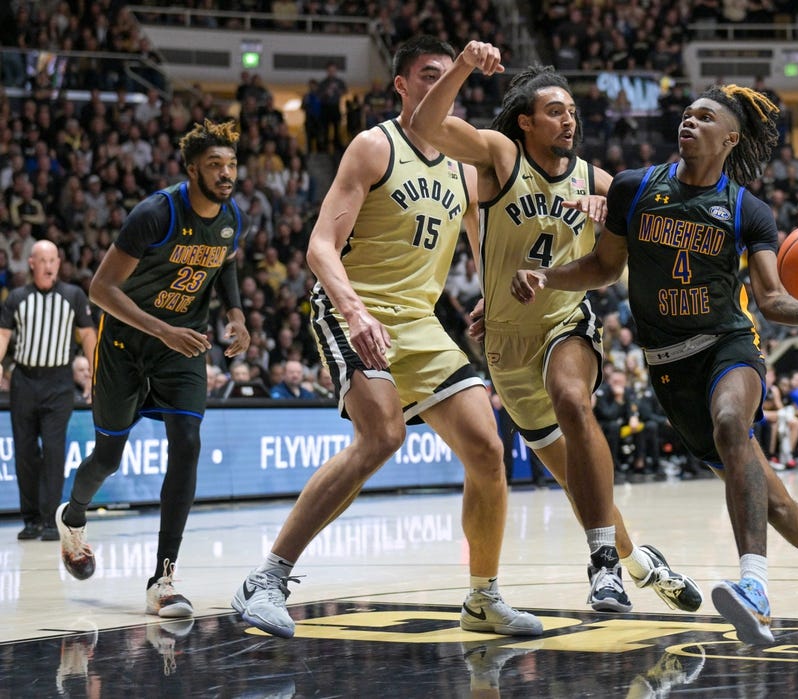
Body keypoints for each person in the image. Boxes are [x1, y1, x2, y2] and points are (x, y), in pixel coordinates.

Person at [511, 82, 798, 644]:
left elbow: (771, 299)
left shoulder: (749, 209)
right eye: (687, 114)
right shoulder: (634, 188)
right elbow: (601, 266)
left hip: (728, 347)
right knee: (779, 507)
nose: (689, 122)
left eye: (704, 117)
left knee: (729, 423)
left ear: (730, 137)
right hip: (670, 368)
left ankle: (755, 588)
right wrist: (545, 276)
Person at [230, 36, 541, 640]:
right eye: (428, 75)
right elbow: (321, 245)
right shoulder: (375, 146)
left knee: (486, 448)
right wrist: (354, 313)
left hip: (421, 322)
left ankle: (483, 598)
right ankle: (265, 579)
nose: (438, 85)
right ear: (402, 85)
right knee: (383, 435)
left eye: (446, 76)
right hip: (354, 305)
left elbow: (484, 243)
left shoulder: (461, 163)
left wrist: (493, 298)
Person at [410, 41, 701, 613]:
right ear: (526, 122)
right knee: (579, 482)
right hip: (507, 349)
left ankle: (602, 566)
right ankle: (640, 562)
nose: (569, 119)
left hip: (565, 322)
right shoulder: (498, 155)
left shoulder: (597, 181)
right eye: (554, 111)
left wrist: (613, 216)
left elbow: (650, 236)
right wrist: (466, 65)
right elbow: (426, 124)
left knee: (573, 399)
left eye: (572, 110)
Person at [55, 119, 250, 618]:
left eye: (231, 164)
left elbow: (226, 262)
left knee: (187, 446)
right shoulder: (155, 213)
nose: (226, 174)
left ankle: (163, 579)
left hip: (182, 347)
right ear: (191, 170)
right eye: (214, 165)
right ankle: (72, 516)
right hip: (124, 343)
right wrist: (162, 329)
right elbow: (101, 289)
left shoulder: (232, 217)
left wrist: (236, 314)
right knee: (108, 457)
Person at [0, 240, 96, 541]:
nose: (49, 265)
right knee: (25, 453)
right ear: (31, 263)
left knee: (54, 452)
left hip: (58, 383)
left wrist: (94, 375)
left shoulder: (73, 295)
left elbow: (88, 334)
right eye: (42, 259)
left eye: (53, 259)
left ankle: (50, 519)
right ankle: (30, 519)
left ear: (59, 262)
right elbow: (3, 334)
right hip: (24, 381)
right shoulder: (17, 297)